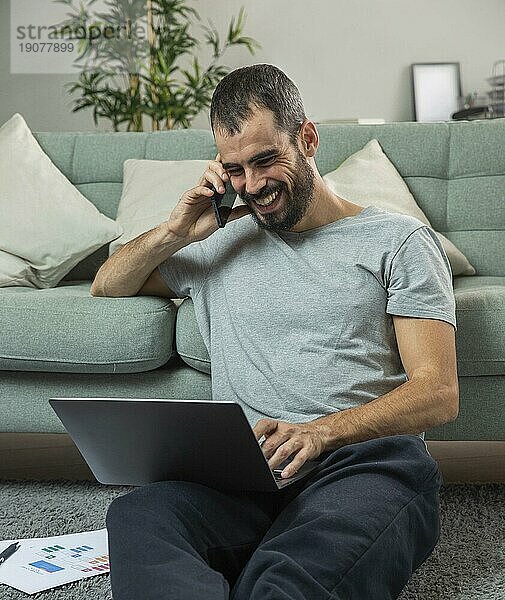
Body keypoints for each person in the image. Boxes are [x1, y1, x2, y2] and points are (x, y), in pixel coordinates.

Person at [91, 63, 459, 599]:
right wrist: (176, 230)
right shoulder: (218, 242)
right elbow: (109, 283)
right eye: (236, 169)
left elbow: (439, 393)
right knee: (140, 516)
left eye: (266, 160)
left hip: (362, 466)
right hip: (243, 474)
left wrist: (322, 431)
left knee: (290, 580)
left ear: (307, 139)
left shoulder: (398, 241)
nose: (254, 185)